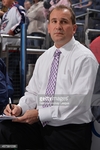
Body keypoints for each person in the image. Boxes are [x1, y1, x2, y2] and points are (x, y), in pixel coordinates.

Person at [0, 5, 98, 150]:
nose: (58, 26)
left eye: (64, 22)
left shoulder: (84, 58)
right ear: (49, 27)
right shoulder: (45, 57)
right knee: (4, 130)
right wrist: (20, 108)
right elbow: (33, 93)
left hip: (69, 131)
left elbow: (78, 101)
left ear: (74, 28)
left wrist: (40, 114)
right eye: (54, 21)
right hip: (41, 126)